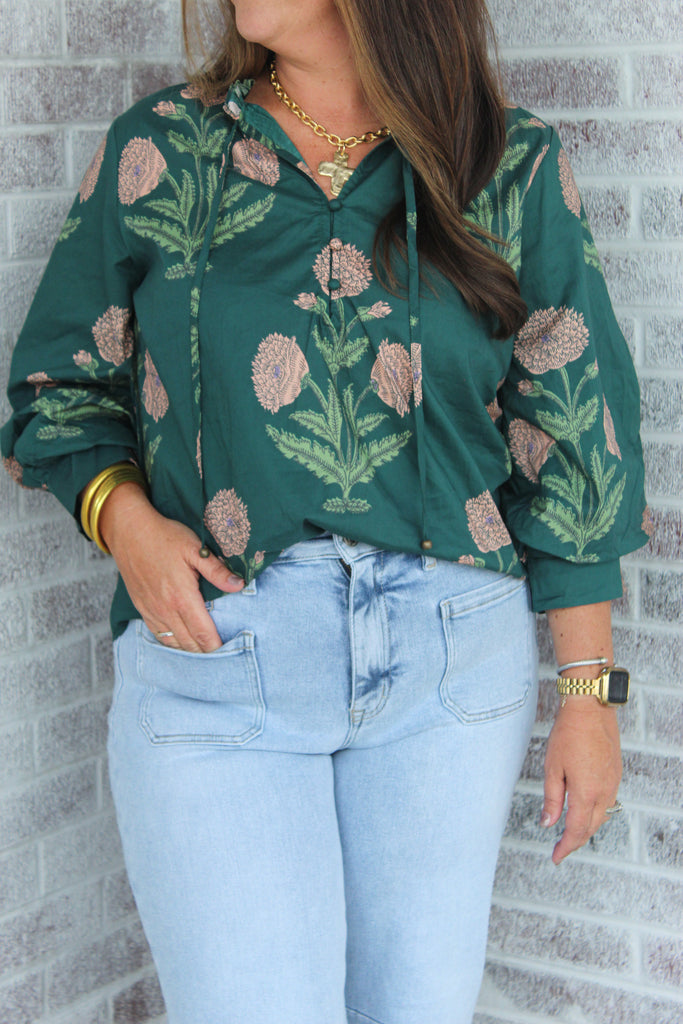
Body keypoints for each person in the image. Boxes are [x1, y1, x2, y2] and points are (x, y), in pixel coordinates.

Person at [2, 1, 651, 1022]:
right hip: (220, 656)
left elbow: (570, 430)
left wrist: (587, 694)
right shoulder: (163, 151)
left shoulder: (504, 163)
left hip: (449, 671)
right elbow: (56, 384)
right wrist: (124, 523)